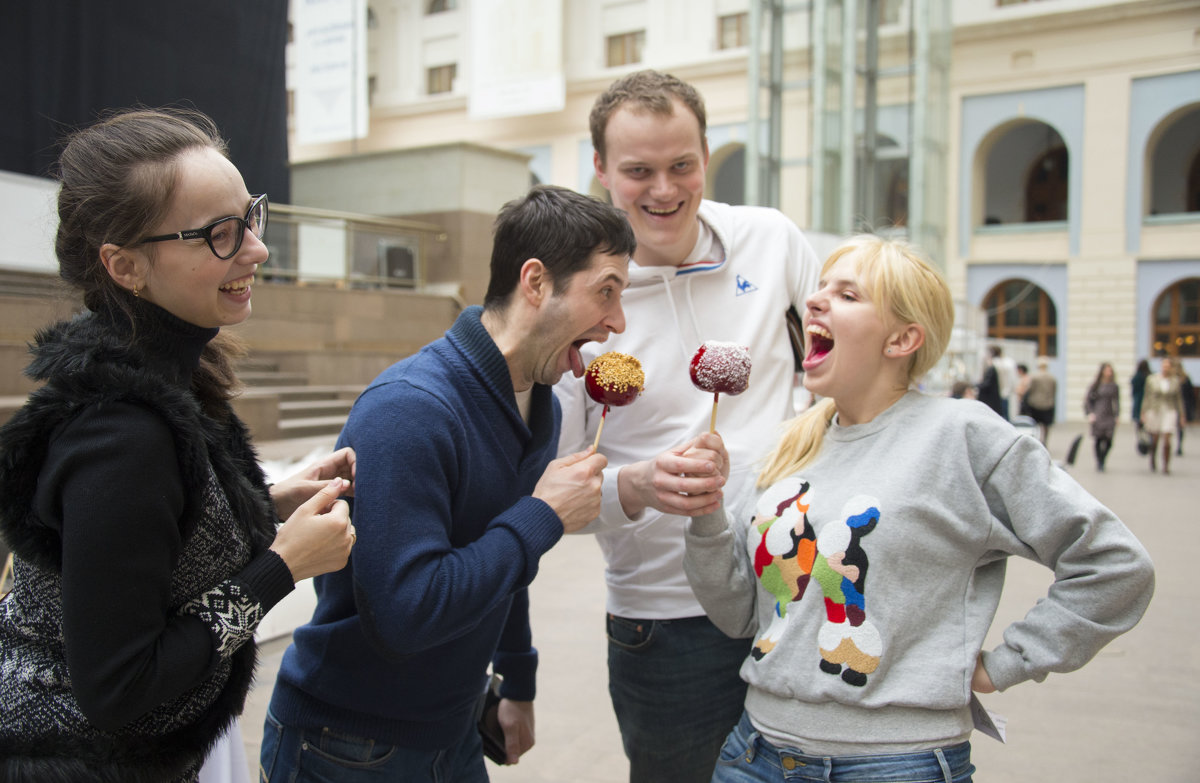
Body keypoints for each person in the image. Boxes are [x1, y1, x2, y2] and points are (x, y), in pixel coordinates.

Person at [682, 235, 1155, 782]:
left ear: (902, 338)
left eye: (848, 294)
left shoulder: (964, 436)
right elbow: (741, 615)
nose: (814, 301)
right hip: (755, 754)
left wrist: (1008, 663)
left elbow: (1115, 564)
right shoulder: (789, 444)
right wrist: (706, 516)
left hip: (895, 764)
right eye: (820, 289)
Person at [0, 108, 356, 783]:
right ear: (125, 265)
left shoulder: (163, 379)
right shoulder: (121, 435)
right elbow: (122, 687)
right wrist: (281, 566)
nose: (256, 249)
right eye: (221, 234)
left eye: (251, 217)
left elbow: (152, 538)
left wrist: (268, 502)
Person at [260, 184, 635, 782]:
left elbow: (505, 564)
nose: (618, 321)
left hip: (454, 729)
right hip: (347, 744)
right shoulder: (410, 409)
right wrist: (542, 515)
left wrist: (517, 678)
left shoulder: (543, 405)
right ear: (535, 282)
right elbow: (406, 614)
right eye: (606, 292)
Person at [553, 70, 822, 782]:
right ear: (602, 172)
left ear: (707, 156)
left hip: (795, 593)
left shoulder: (772, 242)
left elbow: (837, 364)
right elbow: (555, 497)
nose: (664, 190)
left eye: (682, 166)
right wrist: (637, 484)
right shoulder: (579, 301)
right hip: (665, 621)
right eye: (638, 171)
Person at [1140, 355, 1185, 474]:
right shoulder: (1152, 379)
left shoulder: (1175, 380)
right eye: (1164, 365)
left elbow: (1178, 399)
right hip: (1154, 410)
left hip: (1169, 410)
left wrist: (1181, 415)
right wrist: (1143, 412)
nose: (1166, 368)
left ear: (1171, 367)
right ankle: (1153, 458)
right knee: (1155, 439)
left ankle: (1166, 465)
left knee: (1167, 439)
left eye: (1168, 366)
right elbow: (1146, 397)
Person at [1084, 362, 1120, 471]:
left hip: (1109, 414)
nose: (1109, 372)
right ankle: (1099, 461)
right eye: (1107, 370)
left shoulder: (1114, 386)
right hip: (1098, 414)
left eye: (1110, 370)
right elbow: (1088, 400)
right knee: (1098, 439)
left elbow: (1117, 401)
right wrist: (1090, 413)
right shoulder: (1095, 385)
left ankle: (1103, 458)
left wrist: (1117, 415)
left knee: (1109, 440)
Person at [1024, 356, 1057, 445]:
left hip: (1035, 403)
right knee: (1046, 425)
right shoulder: (1052, 378)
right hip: (1047, 404)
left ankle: (1035, 440)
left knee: (1035, 424)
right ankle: (1044, 441)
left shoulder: (1034, 377)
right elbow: (1054, 391)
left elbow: (1030, 389)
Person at [974, 346, 1003, 417]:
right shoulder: (994, 367)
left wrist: (976, 385)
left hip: (991, 399)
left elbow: (987, 383)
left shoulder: (992, 368)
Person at [1175, 365, 1194, 456]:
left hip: (1181, 405)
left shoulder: (1183, 379)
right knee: (1179, 428)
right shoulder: (1174, 379)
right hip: (1179, 405)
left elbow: (1190, 393)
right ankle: (1178, 445)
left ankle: (1177, 446)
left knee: (1179, 427)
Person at [1130, 358, 1151, 428]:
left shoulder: (1137, 376)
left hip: (1139, 399)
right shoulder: (1149, 376)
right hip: (1146, 398)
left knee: (1139, 419)